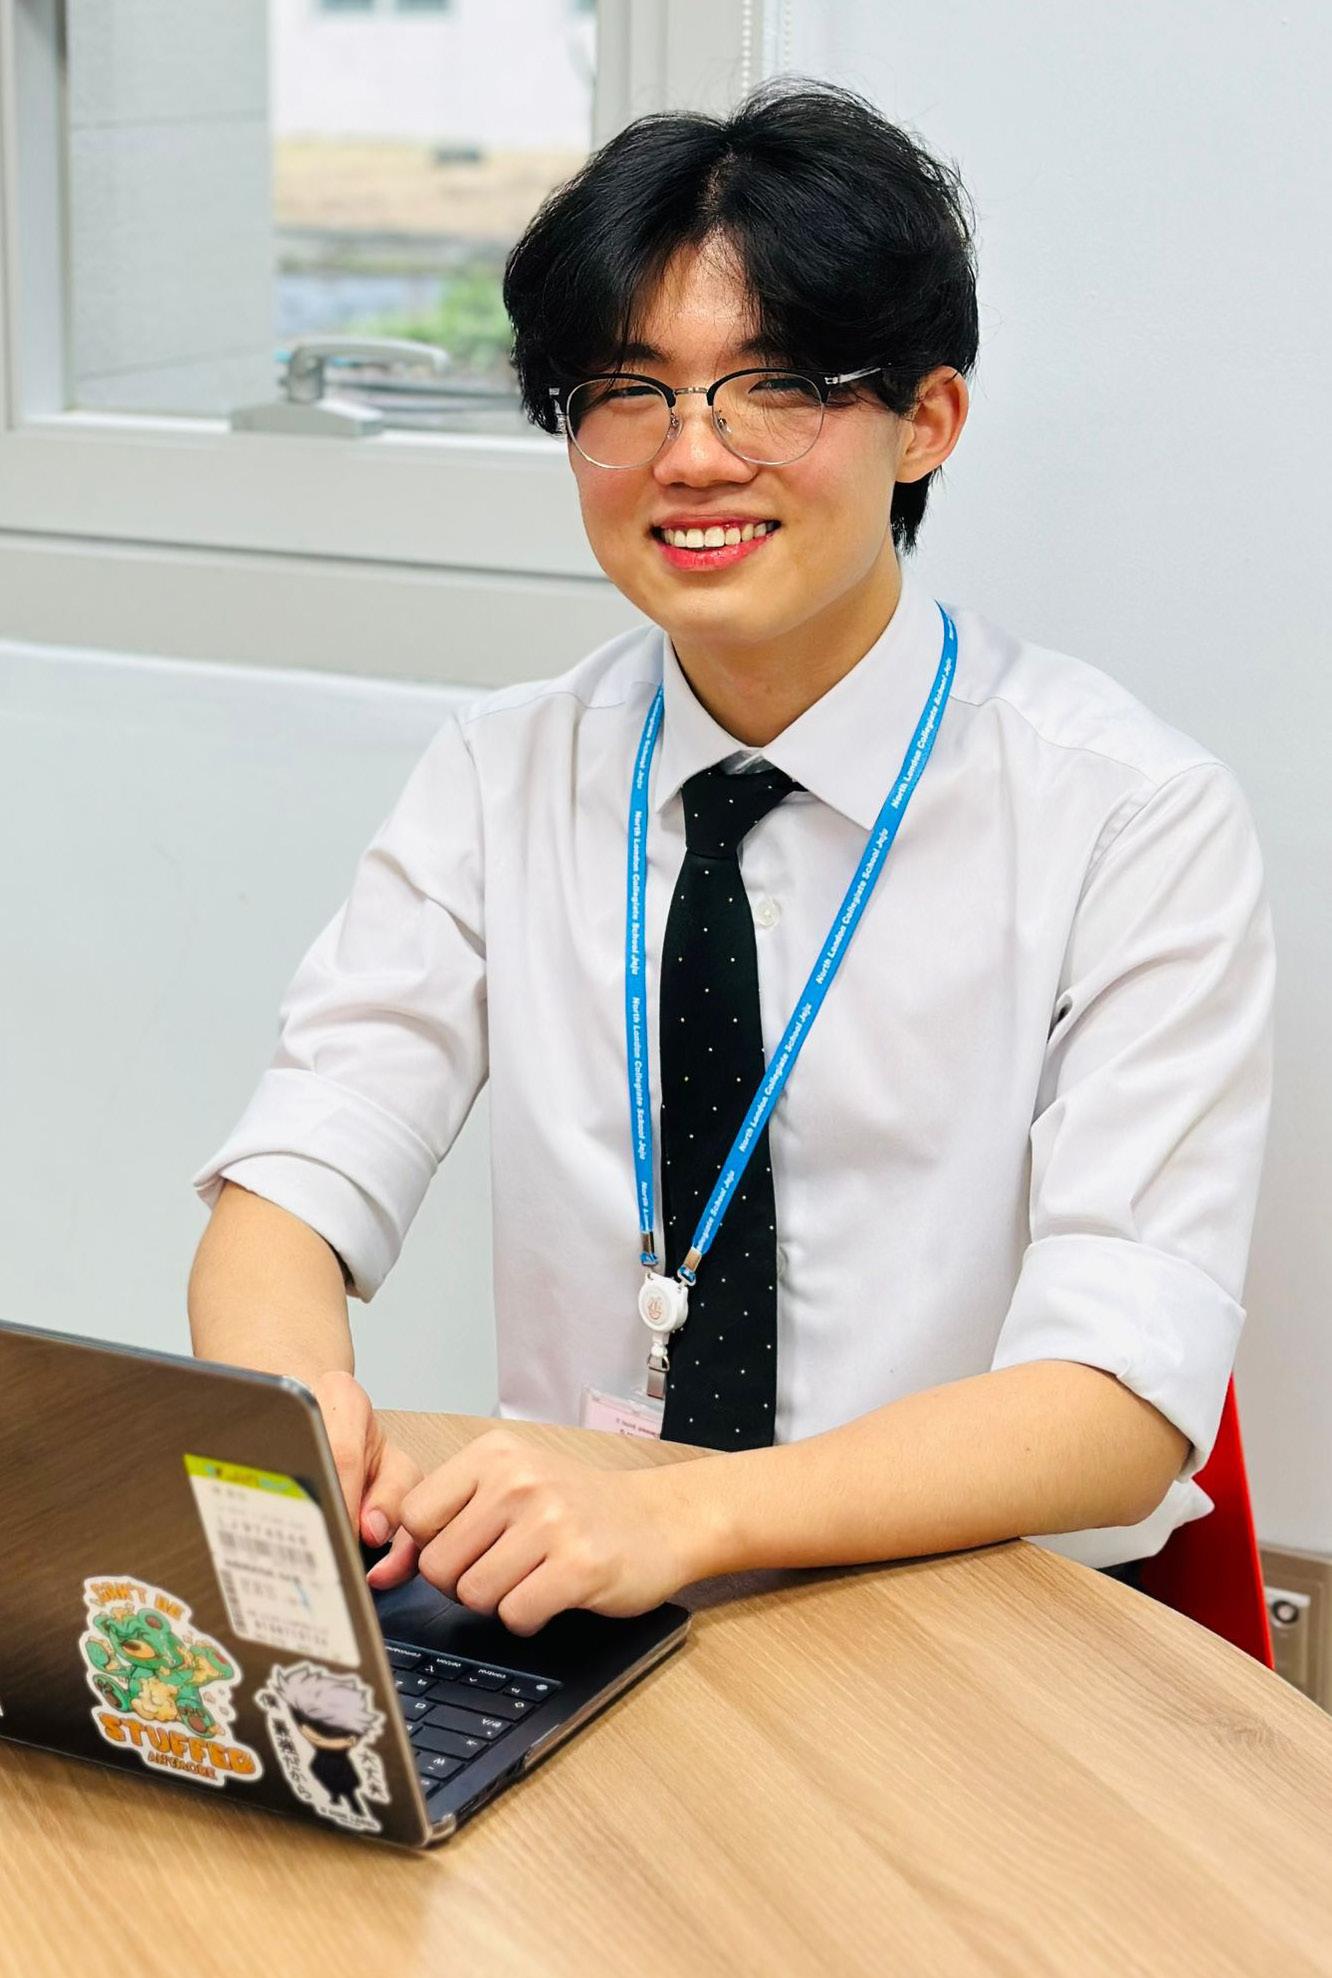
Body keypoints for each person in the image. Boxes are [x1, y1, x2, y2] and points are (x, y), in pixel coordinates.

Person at [188, 79, 1274, 1638]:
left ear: (928, 420)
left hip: (973, 1616)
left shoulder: (1130, 818)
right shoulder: (503, 772)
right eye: (627, 392)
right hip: (585, 1607)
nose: (692, 456)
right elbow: (289, 1186)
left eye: (776, 387)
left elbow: (1119, 1402)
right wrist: (298, 1414)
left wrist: (682, 1513)